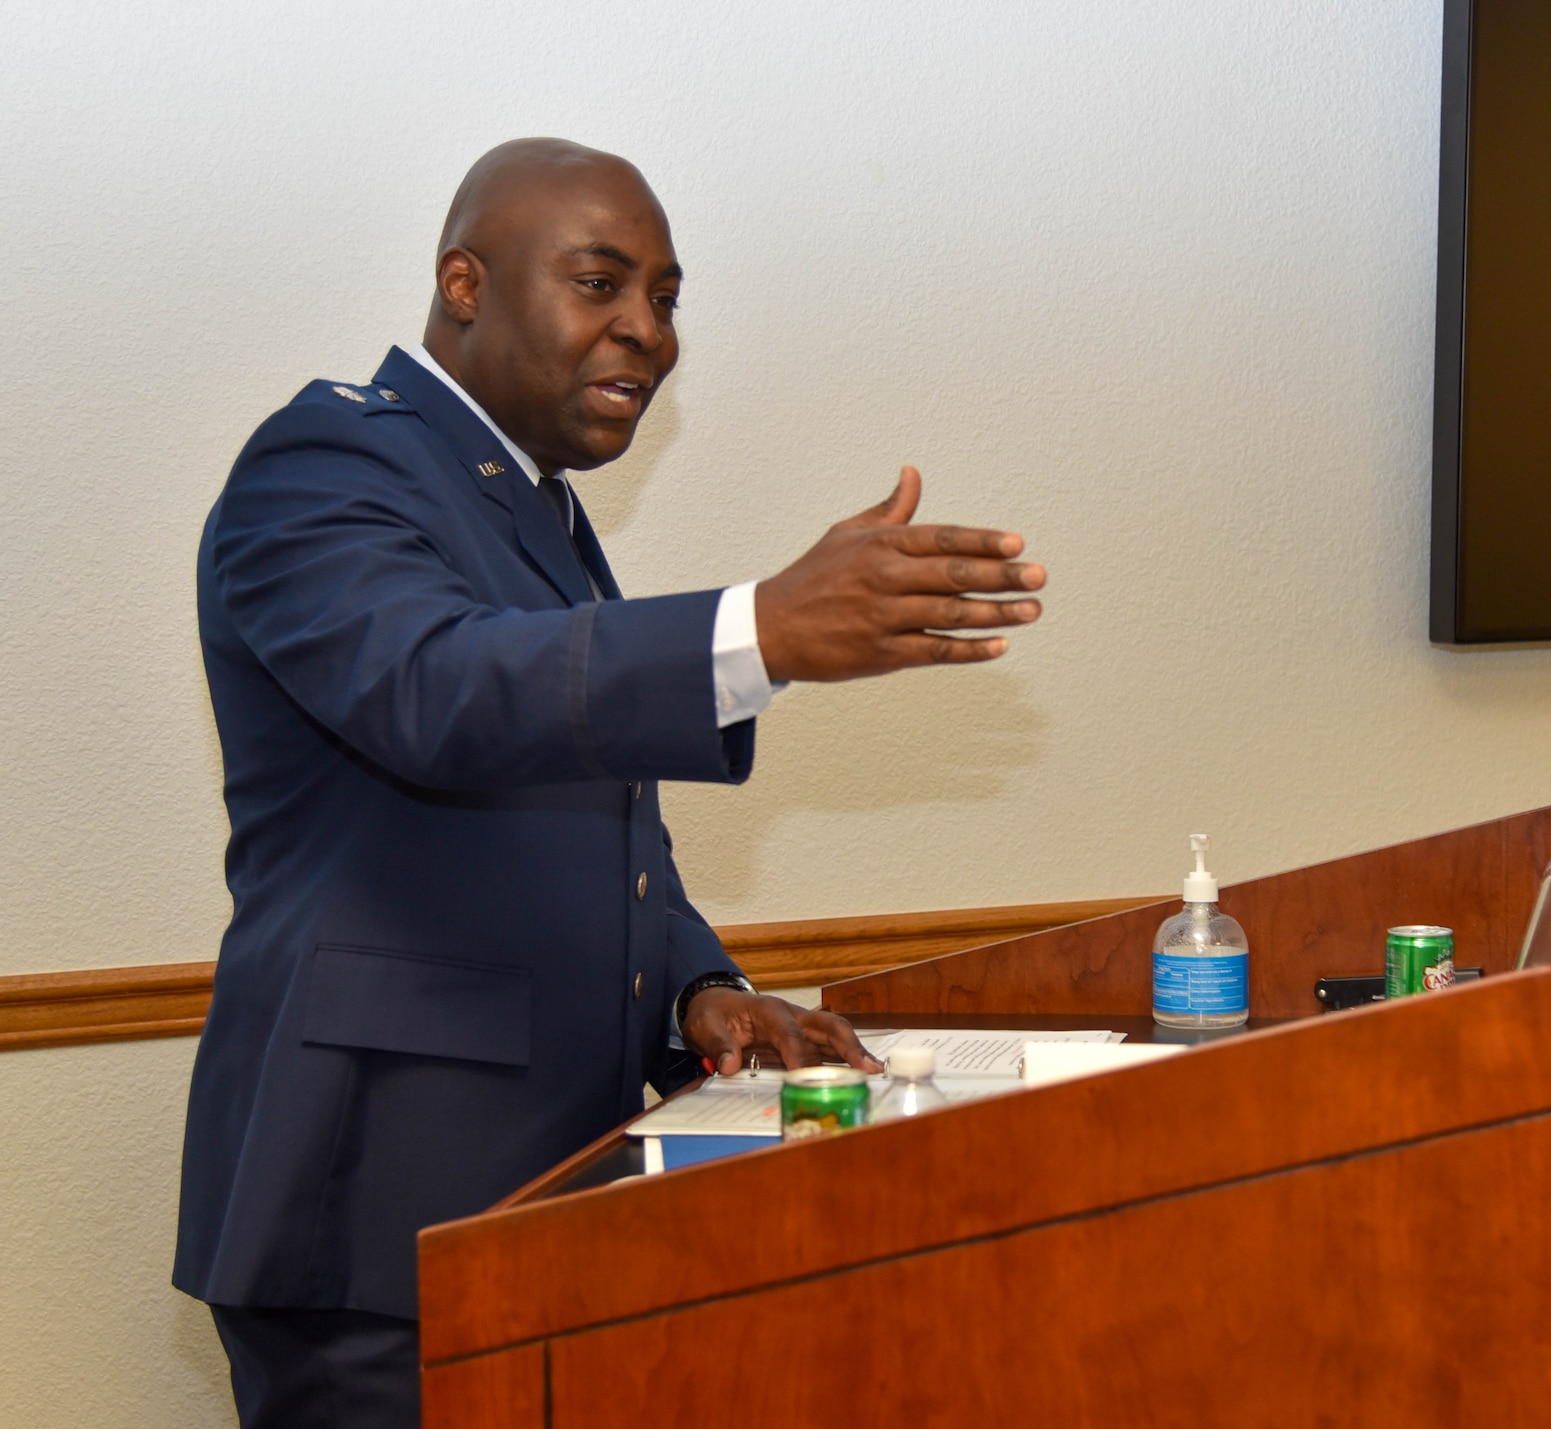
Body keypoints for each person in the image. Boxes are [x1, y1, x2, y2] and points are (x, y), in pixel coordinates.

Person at [174, 137, 1047, 1428]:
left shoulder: (533, 508)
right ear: (462, 282)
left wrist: (698, 989)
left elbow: (589, 808)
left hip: (529, 1208)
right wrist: (757, 630)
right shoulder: (323, 463)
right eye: (602, 284)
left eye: (667, 297)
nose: (647, 330)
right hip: (374, 1218)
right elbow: (441, 692)